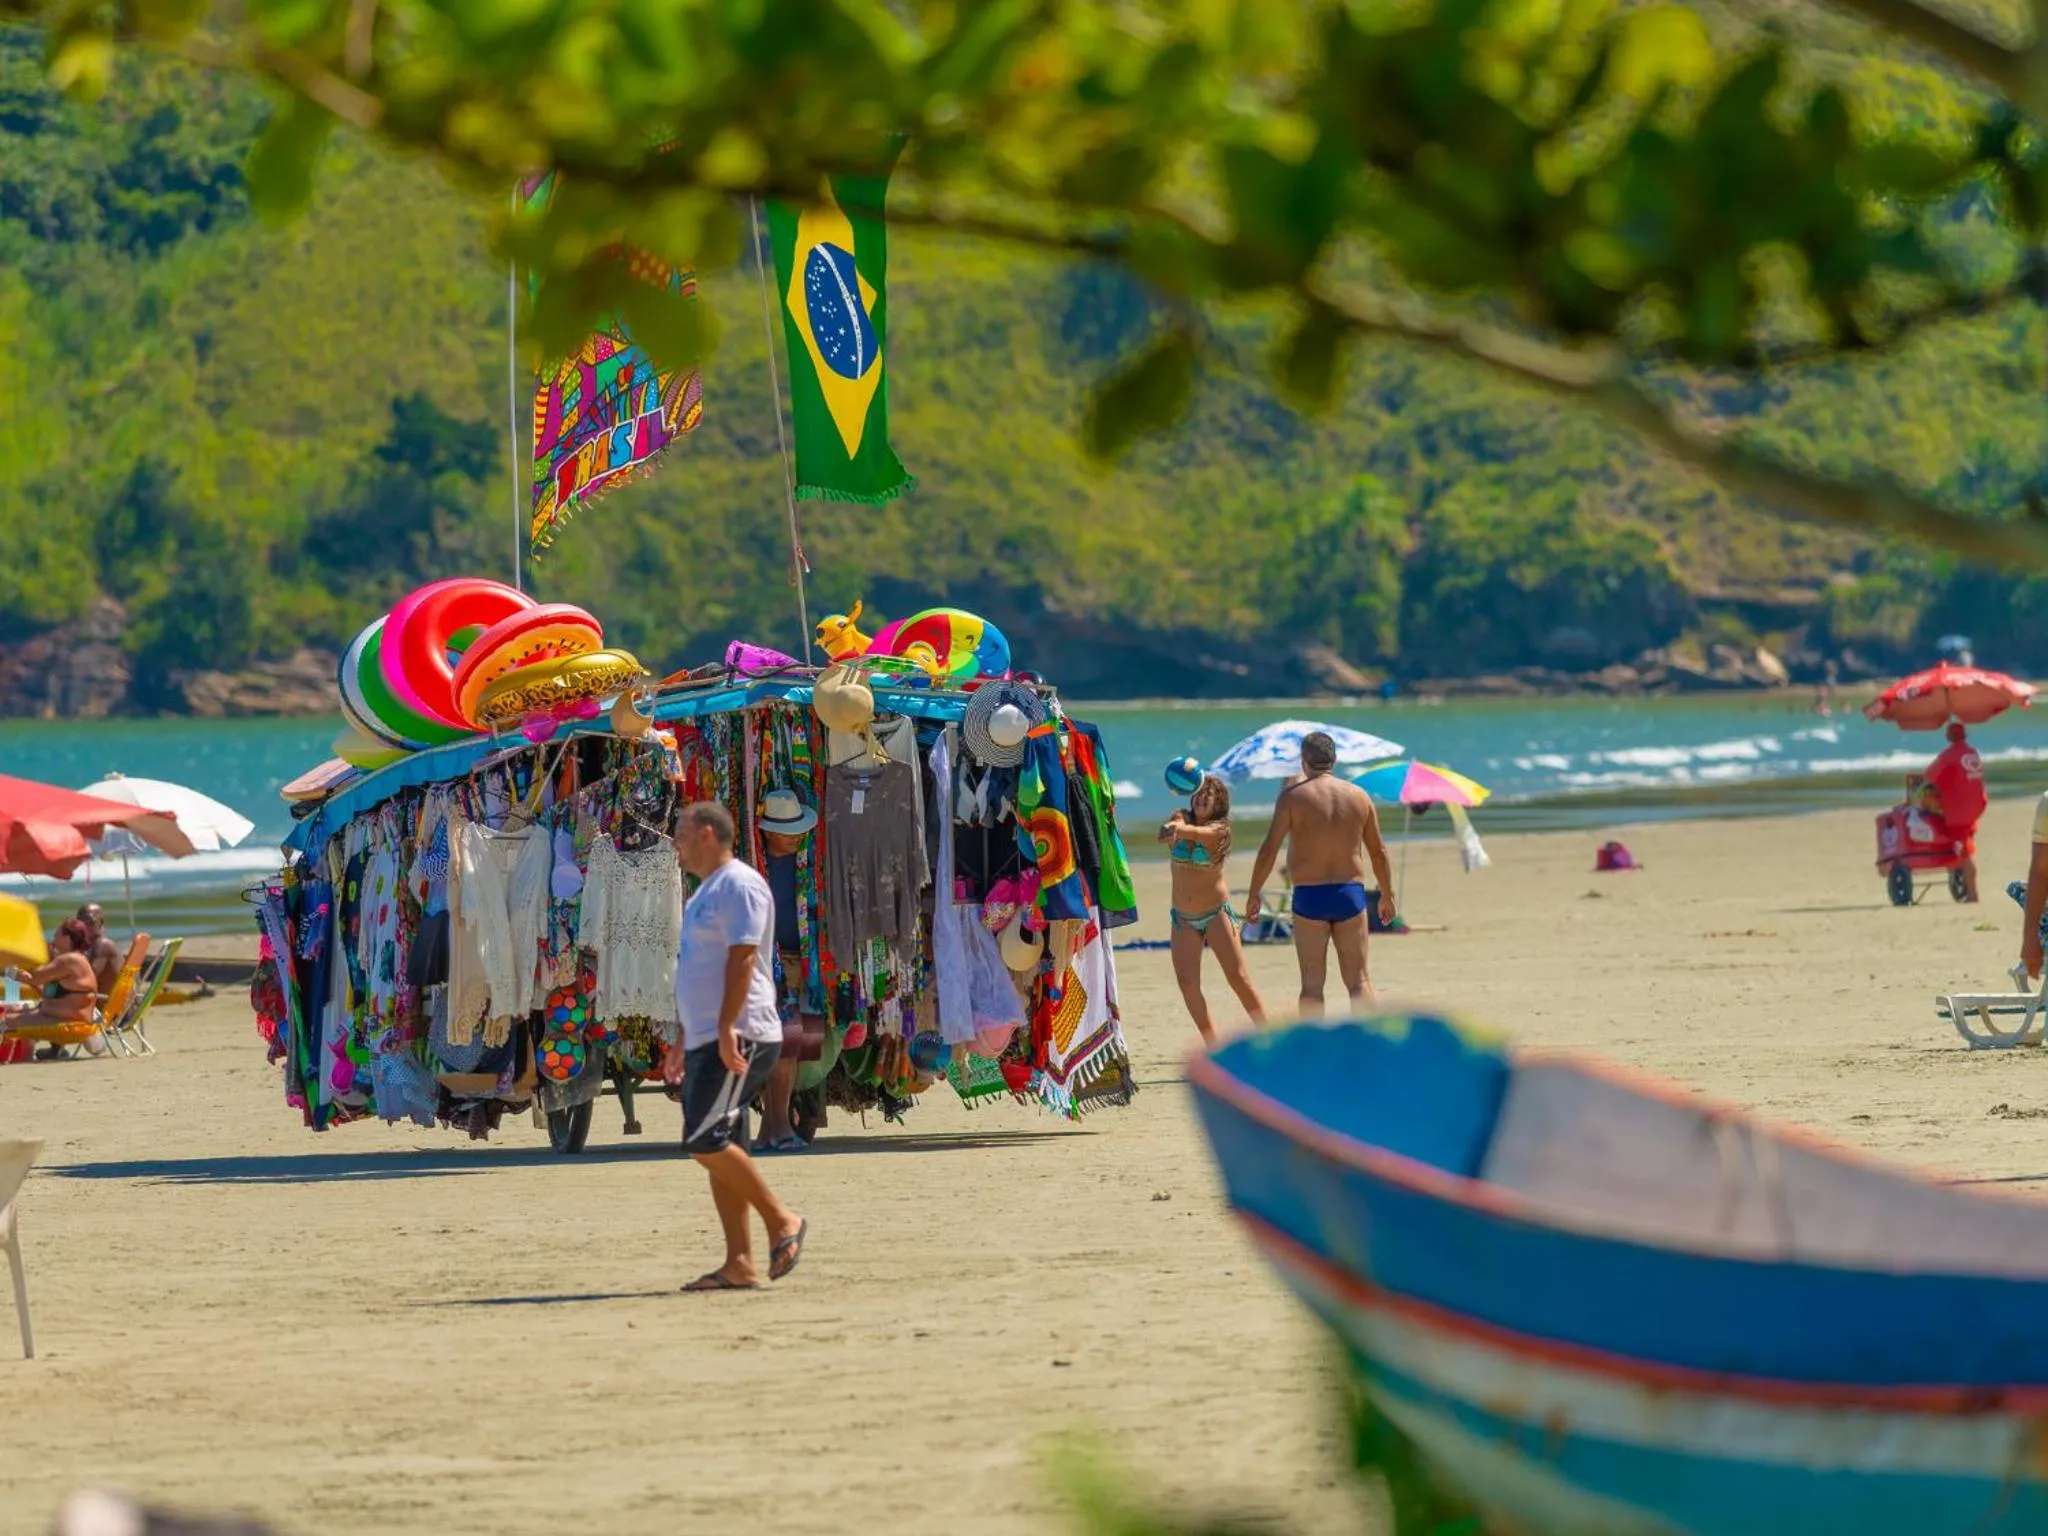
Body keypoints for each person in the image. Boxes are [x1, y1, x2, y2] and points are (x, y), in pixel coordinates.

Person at [672, 800, 807, 1292]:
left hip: (743, 1033)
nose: (677, 844)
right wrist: (684, 1035)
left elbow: (743, 958)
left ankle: (782, 1220)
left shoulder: (740, 884)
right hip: (711, 1035)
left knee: (703, 1139)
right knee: (723, 1143)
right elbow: (697, 968)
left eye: (682, 832)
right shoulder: (702, 893)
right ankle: (740, 1262)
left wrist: (727, 1025)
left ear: (708, 833)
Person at [1245, 731, 1397, 1015]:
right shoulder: (1359, 797)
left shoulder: (1291, 798)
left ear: (1304, 762)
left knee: (1312, 987)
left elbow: (1268, 851)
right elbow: (1379, 852)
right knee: (1359, 982)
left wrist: (1254, 893)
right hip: (1349, 894)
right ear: (1335, 759)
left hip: (1309, 896)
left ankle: (1312, 1053)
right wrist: (1387, 894)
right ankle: (1370, 1048)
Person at [1158, 774, 1266, 1044]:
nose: (1203, 797)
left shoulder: (1220, 830)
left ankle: (1268, 1036)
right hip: (1182, 917)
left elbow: (1197, 834)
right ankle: (1212, 1045)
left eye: (1210, 793)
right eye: (1199, 792)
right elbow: (1173, 828)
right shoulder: (1180, 816)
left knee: (1238, 978)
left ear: (1219, 802)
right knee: (1187, 984)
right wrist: (1171, 827)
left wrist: (1177, 830)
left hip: (1216, 913)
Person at [755, 788, 822, 1153]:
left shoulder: (807, 863)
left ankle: (772, 1126)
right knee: (781, 1046)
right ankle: (778, 1126)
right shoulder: (755, 865)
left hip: (801, 964)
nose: (796, 836)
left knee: (791, 1047)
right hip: (768, 966)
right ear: (767, 831)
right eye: (787, 830)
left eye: (798, 829)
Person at [5, 919, 102, 1054]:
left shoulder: (69, 959)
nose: (53, 937)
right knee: (12, 1012)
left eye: (57, 933)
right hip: (65, 1019)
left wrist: (8, 970)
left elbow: (33, 977)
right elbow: (46, 992)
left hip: (69, 1025)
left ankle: (20, 1057)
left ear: (67, 938)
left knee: (7, 1020)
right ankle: (49, 1052)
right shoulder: (75, 959)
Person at [1920, 721, 1986, 902]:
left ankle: (1973, 894)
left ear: (1949, 736)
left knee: (1964, 851)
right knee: (1963, 846)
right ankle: (1964, 885)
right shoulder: (1973, 753)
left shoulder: (1949, 755)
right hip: (1976, 806)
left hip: (1958, 810)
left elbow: (1929, 775)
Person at [75, 903, 122, 997]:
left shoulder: (103, 945)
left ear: (101, 922)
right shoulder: (93, 944)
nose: (85, 926)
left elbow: (89, 976)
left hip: (104, 1005)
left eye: (91, 922)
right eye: (81, 923)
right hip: (107, 1002)